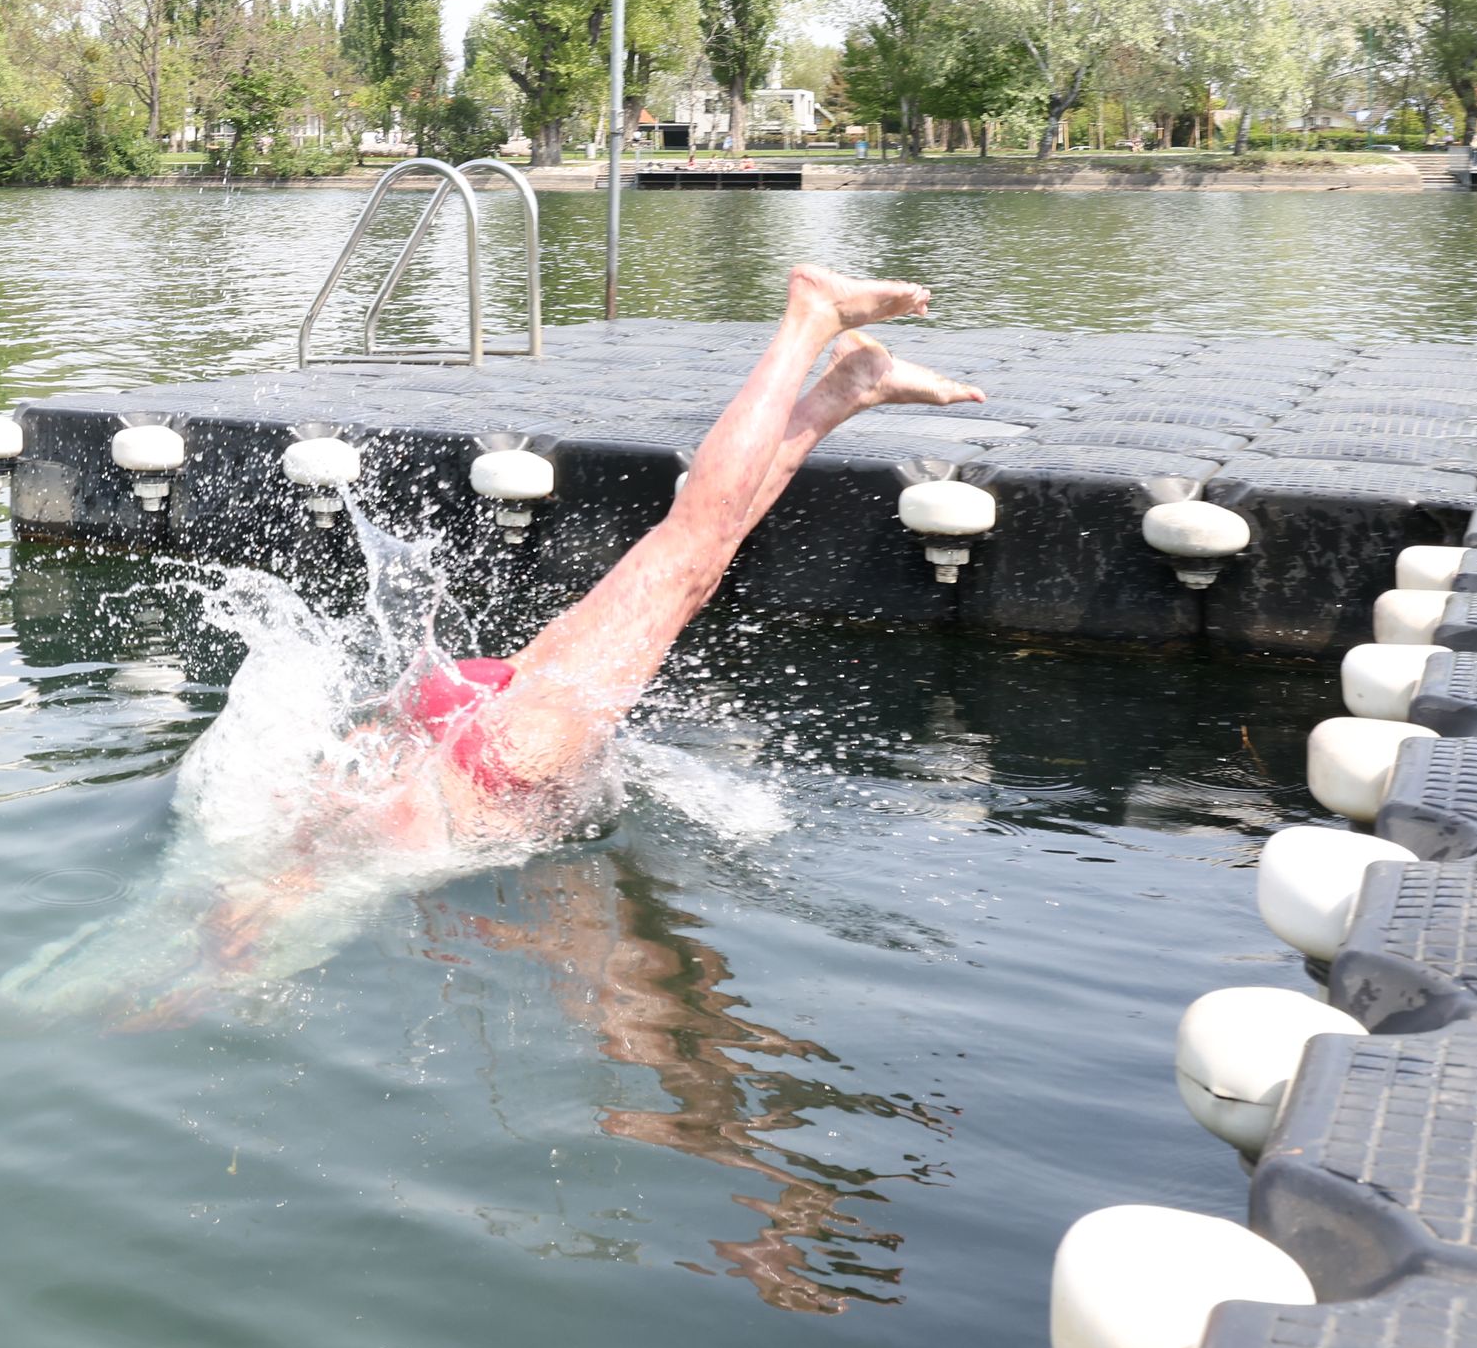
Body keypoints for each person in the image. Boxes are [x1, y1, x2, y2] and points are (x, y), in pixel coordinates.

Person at [155, 268, 978, 998]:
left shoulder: (279, 885)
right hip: (470, 730)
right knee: (694, 566)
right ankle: (846, 388)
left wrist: (202, 974)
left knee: (690, 542)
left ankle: (808, 319)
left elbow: (263, 916)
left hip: (502, 756)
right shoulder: (262, 865)